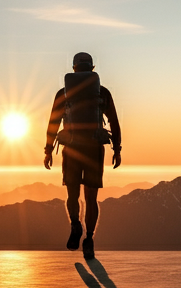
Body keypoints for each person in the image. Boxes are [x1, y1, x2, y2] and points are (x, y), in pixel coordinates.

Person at [43, 52, 122, 261]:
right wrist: (118, 149)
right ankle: (89, 239)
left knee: (72, 194)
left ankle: (75, 225)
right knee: (91, 198)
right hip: (94, 149)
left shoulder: (64, 92)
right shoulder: (101, 92)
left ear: (74, 68)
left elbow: (53, 122)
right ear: (92, 68)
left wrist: (48, 150)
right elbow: (113, 121)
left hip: (71, 148)